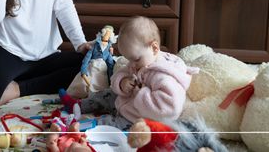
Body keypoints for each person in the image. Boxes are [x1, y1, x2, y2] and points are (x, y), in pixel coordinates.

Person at [59, 16, 199, 129]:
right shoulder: (140, 62)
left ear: (154, 48)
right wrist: (122, 83)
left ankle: (83, 128)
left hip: (140, 119)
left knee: (110, 125)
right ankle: (78, 106)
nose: (131, 65)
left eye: (135, 59)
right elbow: (118, 75)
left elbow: (170, 109)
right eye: (128, 59)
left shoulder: (164, 76)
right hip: (125, 102)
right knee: (106, 93)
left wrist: (140, 93)